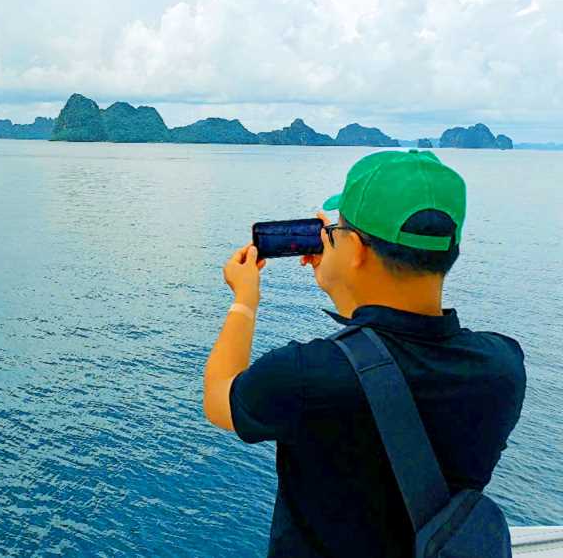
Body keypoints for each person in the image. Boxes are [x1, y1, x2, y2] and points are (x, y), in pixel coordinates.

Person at [202, 149, 526, 557]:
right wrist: (344, 275)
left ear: (355, 248)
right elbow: (385, 350)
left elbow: (219, 397)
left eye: (335, 231)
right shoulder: (502, 366)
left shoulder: (304, 376)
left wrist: (245, 300)